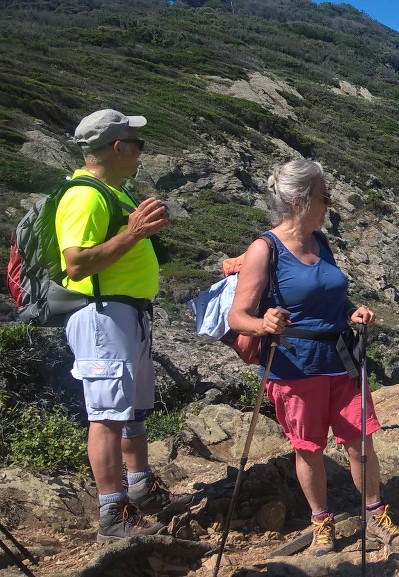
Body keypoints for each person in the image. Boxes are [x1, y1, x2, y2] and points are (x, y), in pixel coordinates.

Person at [227, 159, 399, 556]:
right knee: (308, 448)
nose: (330, 202)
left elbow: (331, 296)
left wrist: (352, 312)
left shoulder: (320, 241)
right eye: (324, 196)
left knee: (360, 441)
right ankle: (322, 522)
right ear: (299, 201)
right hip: (296, 366)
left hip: (342, 359)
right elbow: (237, 317)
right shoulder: (264, 249)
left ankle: (375, 513)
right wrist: (264, 324)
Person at [58, 109, 189, 541]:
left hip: (127, 311)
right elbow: (75, 264)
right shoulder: (85, 196)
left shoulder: (116, 192)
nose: (140, 153)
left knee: (130, 409)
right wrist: (132, 234)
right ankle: (113, 514)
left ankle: (140, 488)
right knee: (107, 414)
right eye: (138, 144)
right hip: (102, 314)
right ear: (118, 147)